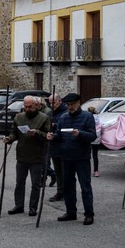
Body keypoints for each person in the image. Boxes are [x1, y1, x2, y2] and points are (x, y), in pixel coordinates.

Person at [46, 93, 96, 225]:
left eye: (72, 104)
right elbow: (59, 134)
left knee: (85, 186)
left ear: (79, 103)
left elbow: (92, 136)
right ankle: (71, 212)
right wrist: (53, 136)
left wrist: (80, 134)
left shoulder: (87, 116)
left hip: (81, 157)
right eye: (68, 105)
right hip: (66, 157)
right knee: (68, 186)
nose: (70, 107)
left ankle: (89, 213)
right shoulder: (63, 117)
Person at [3, 95, 51, 216]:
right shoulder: (19, 117)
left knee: (35, 183)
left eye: (30, 107)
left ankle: (33, 207)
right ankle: (18, 205)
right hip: (22, 155)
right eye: (26, 106)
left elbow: (47, 136)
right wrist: (9, 139)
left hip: (37, 155)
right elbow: (14, 132)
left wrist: (37, 133)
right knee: (19, 182)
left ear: (36, 106)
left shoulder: (44, 118)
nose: (28, 109)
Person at [47, 93, 67, 201]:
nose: (52, 105)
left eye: (53, 102)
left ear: (59, 101)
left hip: (63, 146)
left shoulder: (65, 112)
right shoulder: (51, 113)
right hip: (54, 146)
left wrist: (55, 125)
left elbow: (64, 127)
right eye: (50, 103)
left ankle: (66, 191)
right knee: (58, 171)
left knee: (65, 171)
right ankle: (60, 191)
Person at [89, 106, 102, 177]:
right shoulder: (98, 118)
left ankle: (87, 170)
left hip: (89, 138)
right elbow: (102, 127)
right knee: (95, 155)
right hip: (97, 138)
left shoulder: (88, 118)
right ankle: (96, 170)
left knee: (87, 155)